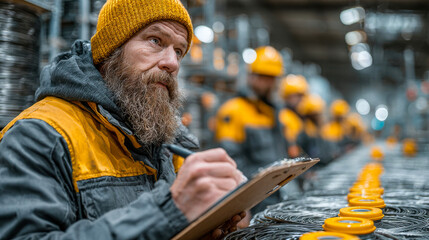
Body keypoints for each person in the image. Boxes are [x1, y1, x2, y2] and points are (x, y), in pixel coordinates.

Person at [0, 0, 245, 239]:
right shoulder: (38, 136)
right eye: (155, 40)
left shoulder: (166, 137)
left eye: (179, 51)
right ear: (111, 50)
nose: (172, 63)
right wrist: (169, 212)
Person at [215, 46, 286, 215]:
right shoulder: (233, 110)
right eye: (262, 76)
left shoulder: (272, 112)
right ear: (251, 76)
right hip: (252, 199)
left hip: (275, 194)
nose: (267, 83)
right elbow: (230, 161)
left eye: (271, 78)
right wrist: (240, 205)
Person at [278, 74, 309, 158]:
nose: (301, 99)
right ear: (288, 96)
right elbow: (292, 150)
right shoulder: (285, 116)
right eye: (298, 95)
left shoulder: (296, 116)